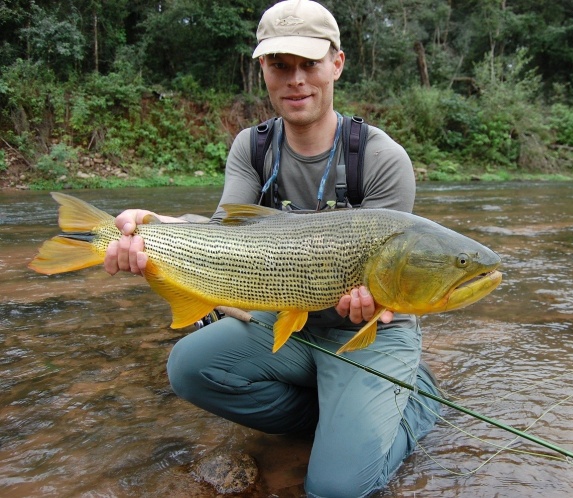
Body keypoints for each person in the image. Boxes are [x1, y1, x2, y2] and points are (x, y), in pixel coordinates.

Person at [103, 1, 440, 496]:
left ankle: (413, 401)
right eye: (281, 65)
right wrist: (156, 226)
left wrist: (378, 305)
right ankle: (333, 417)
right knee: (190, 368)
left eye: (309, 64)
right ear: (263, 68)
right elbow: (224, 234)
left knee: (335, 491)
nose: (296, 79)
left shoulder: (380, 157)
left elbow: (392, 288)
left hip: (365, 331)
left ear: (337, 64)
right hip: (286, 312)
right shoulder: (253, 147)